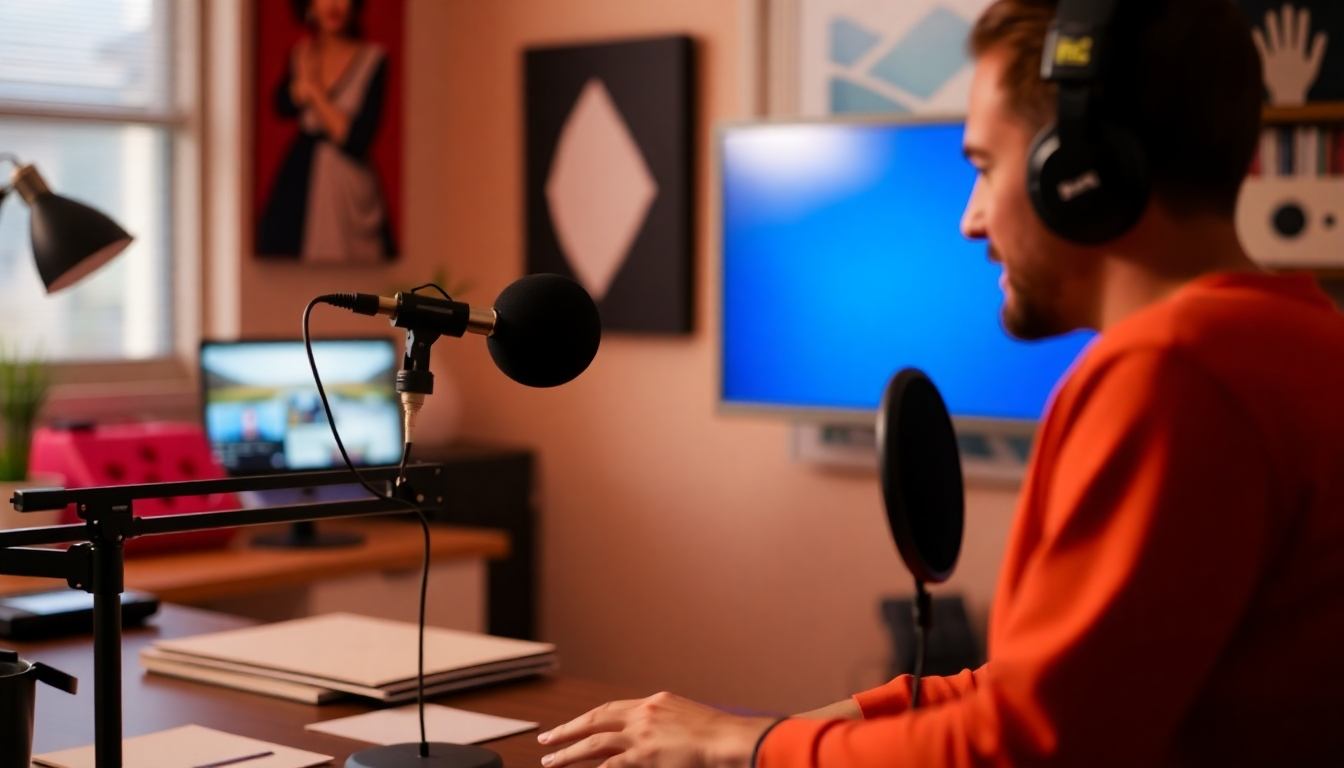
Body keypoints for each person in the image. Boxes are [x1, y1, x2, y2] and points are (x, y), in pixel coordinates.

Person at [537, 0, 1344, 765]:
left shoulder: (1170, 375)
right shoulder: (1298, 336)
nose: (970, 218)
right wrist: (792, 731)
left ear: (1079, 174)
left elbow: (1028, 746)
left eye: (985, 167)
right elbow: (1060, 687)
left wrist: (735, 747)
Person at [256, 0, 396, 262]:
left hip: (349, 186)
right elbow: (280, 104)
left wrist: (314, 91)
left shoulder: (373, 59)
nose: (333, 5)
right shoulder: (302, 54)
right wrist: (300, 89)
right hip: (302, 176)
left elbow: (356, 137)